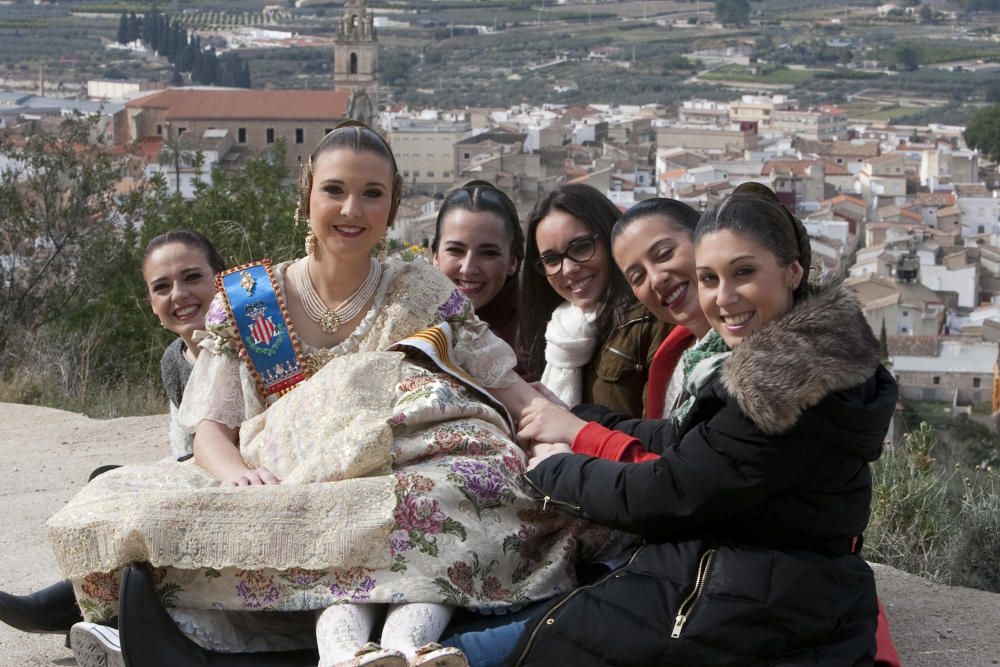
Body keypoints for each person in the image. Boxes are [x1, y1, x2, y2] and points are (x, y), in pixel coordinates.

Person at [46, 123, 605, 667]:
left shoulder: (421, 290)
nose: (351, 210)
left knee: (464, 491)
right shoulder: (248, 299)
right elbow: (212, 430)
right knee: (116, 503)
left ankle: (403, 650)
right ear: (306, 193)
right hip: (292, 484)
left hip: (400, 481)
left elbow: (506, 390)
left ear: (393, 204)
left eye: (372, 194)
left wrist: (593, 441)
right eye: (334, 190)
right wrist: (237, 476)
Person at [477, 184, 898, 665]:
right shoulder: (782, 360)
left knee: (501, 644)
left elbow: (668, 489)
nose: (724, 297)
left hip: (753, 591)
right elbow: (688, 439)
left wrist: (553, 466)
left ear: (793, 270)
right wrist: (583, 421)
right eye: (710, 279)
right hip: (756, 574)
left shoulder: (778, 388)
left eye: (743, 272)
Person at [0, 229, 225, 648]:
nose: (179, 294)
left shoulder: (246, 347)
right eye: (162, 287)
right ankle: (96, 609)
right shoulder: (173, 361)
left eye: (193, 277)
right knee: (108, 479)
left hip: (238, 480)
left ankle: (66, 607)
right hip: (198, 477)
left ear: (222, 279)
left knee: (134, 495)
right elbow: (182, 446)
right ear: (152, 304)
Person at [516, 184, 666, 417]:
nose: (569, 269)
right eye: (552, 259)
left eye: (581, 247)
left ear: (609, 237)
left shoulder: (651, 319)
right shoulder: (557, 331)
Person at [431, 180, 524, 351]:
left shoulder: (545, 341)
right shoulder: (406, 325)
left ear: (512, 261)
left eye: (488, 253)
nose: (468, 268)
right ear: (435, 256)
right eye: (455, 250)